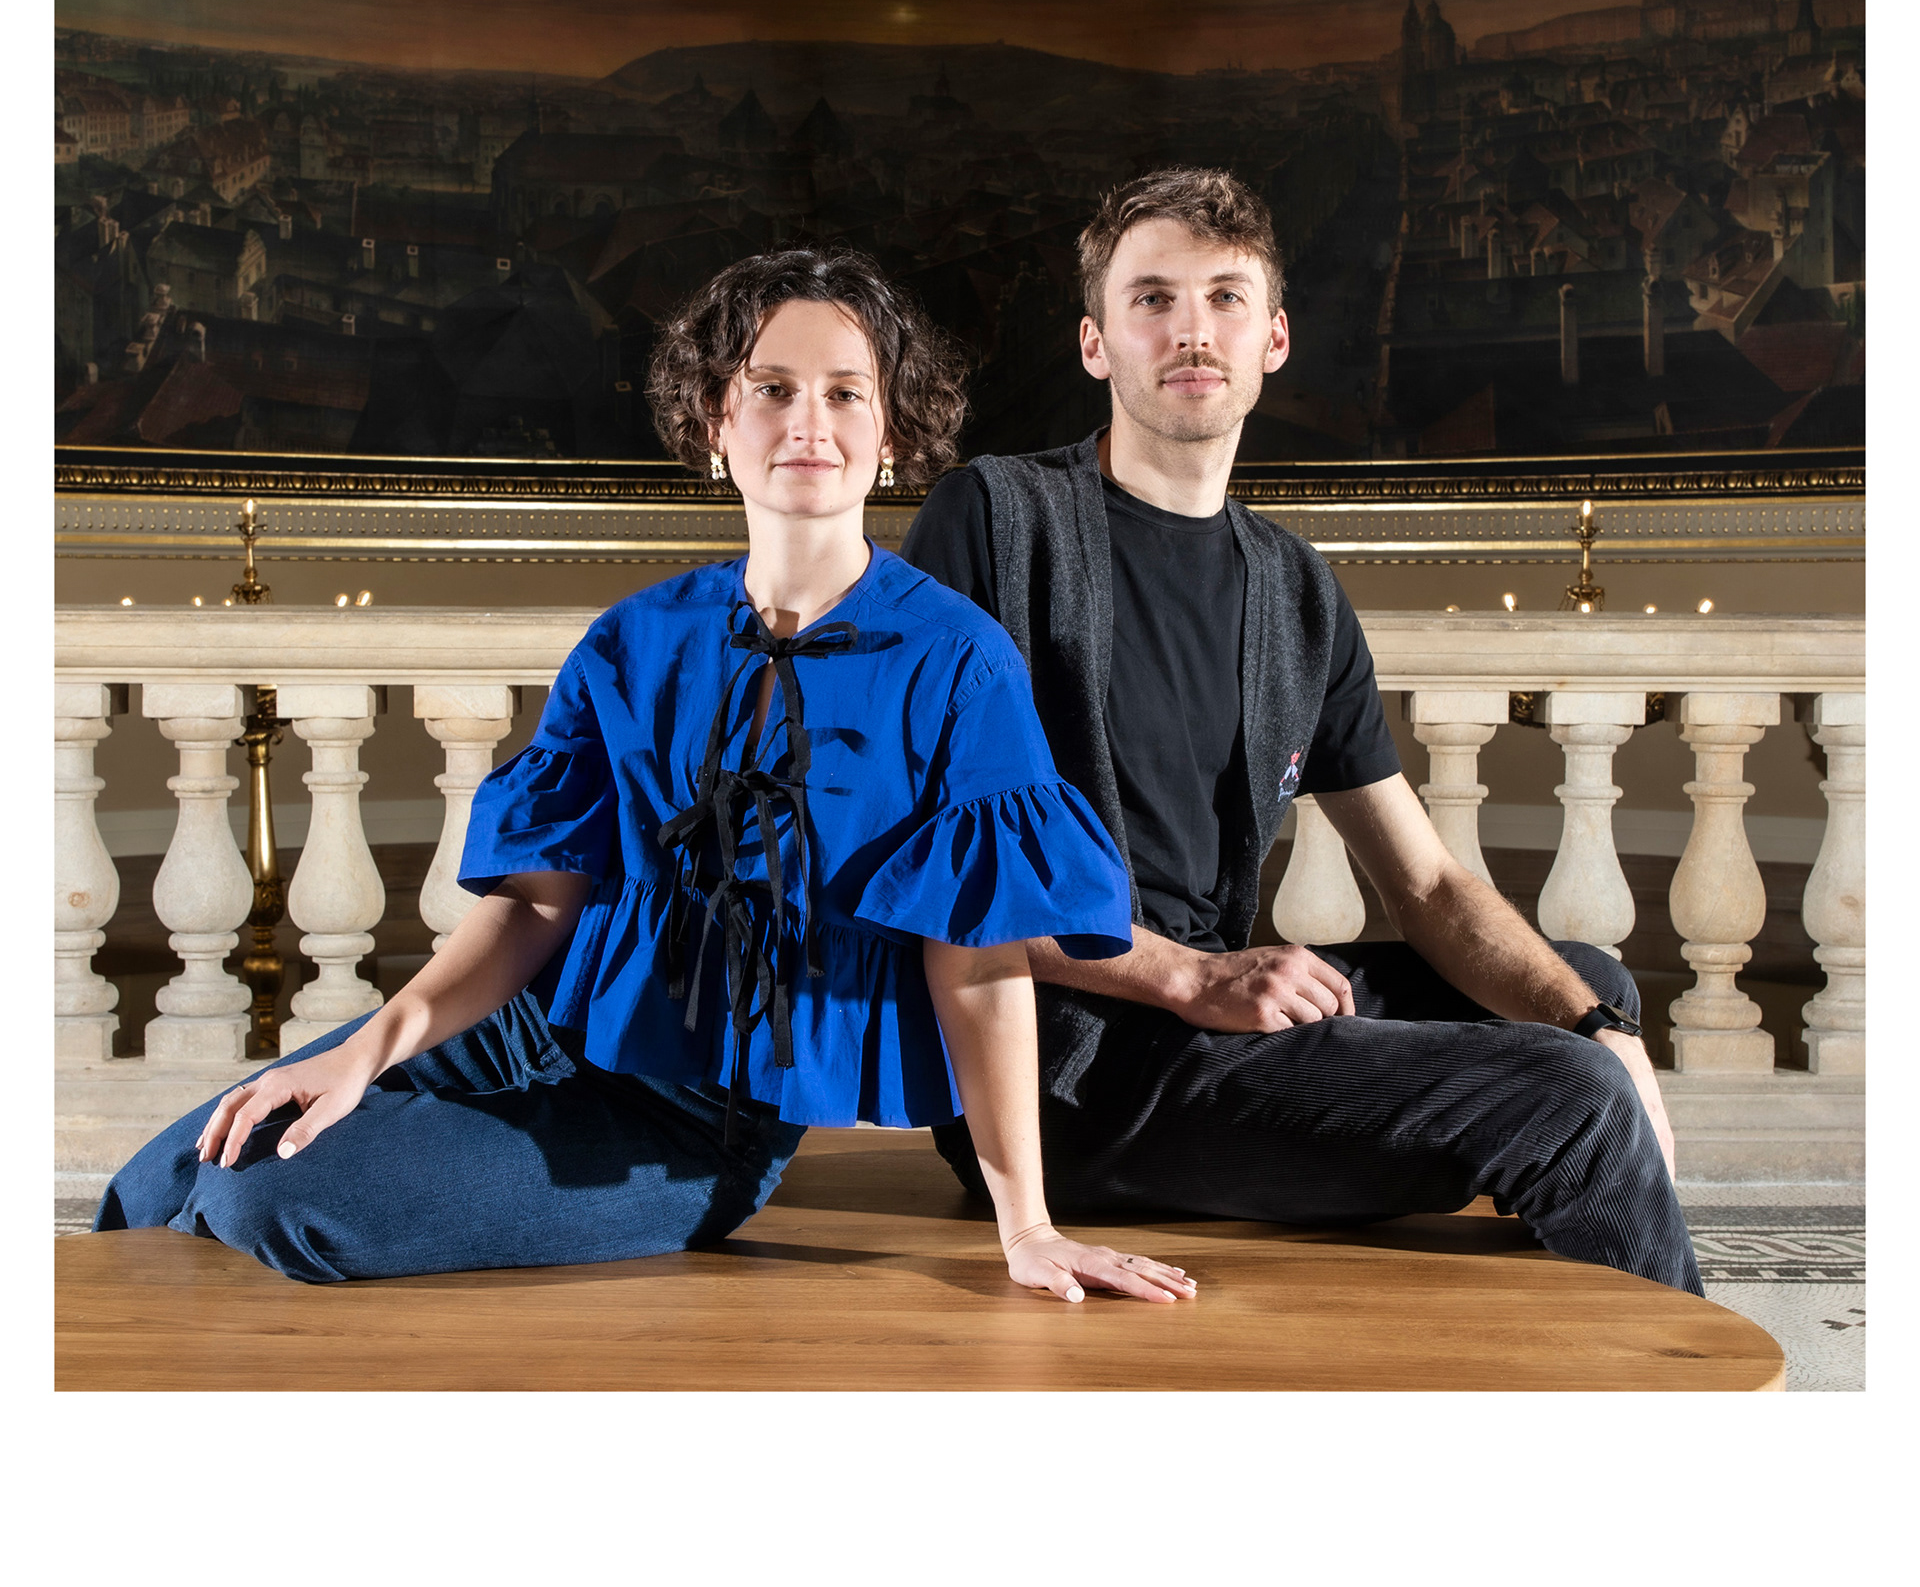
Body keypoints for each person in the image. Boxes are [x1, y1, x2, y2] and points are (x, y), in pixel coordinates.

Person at [97, 249, 1196, 1308]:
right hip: (522, 1028)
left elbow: (980, 963)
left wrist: (1026, 1225)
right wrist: (366, 1054)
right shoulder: (632, 639)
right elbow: (536, 909)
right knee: (165, 1174)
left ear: (893, 431)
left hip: (688, 1128)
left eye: (845, 393)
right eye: (772, 388)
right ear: (717, 420)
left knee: (266, 1199)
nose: (809, 423)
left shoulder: (960, 661)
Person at [901, 167, 1704, 1296]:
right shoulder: (995, 519)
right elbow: (934, 864)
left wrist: (1598, 1023)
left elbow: (1428, 887)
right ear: (1095, 343)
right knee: (1570, 1095)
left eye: (1226, 298)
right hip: (1069, 1067)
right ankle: (1676, 1377)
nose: (1192, 330)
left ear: (1272, 339)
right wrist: (1191, 977)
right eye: (1153, 299)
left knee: (1581, 987)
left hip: (1205, 1014)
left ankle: (1564, 1322)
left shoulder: (1295, 592)